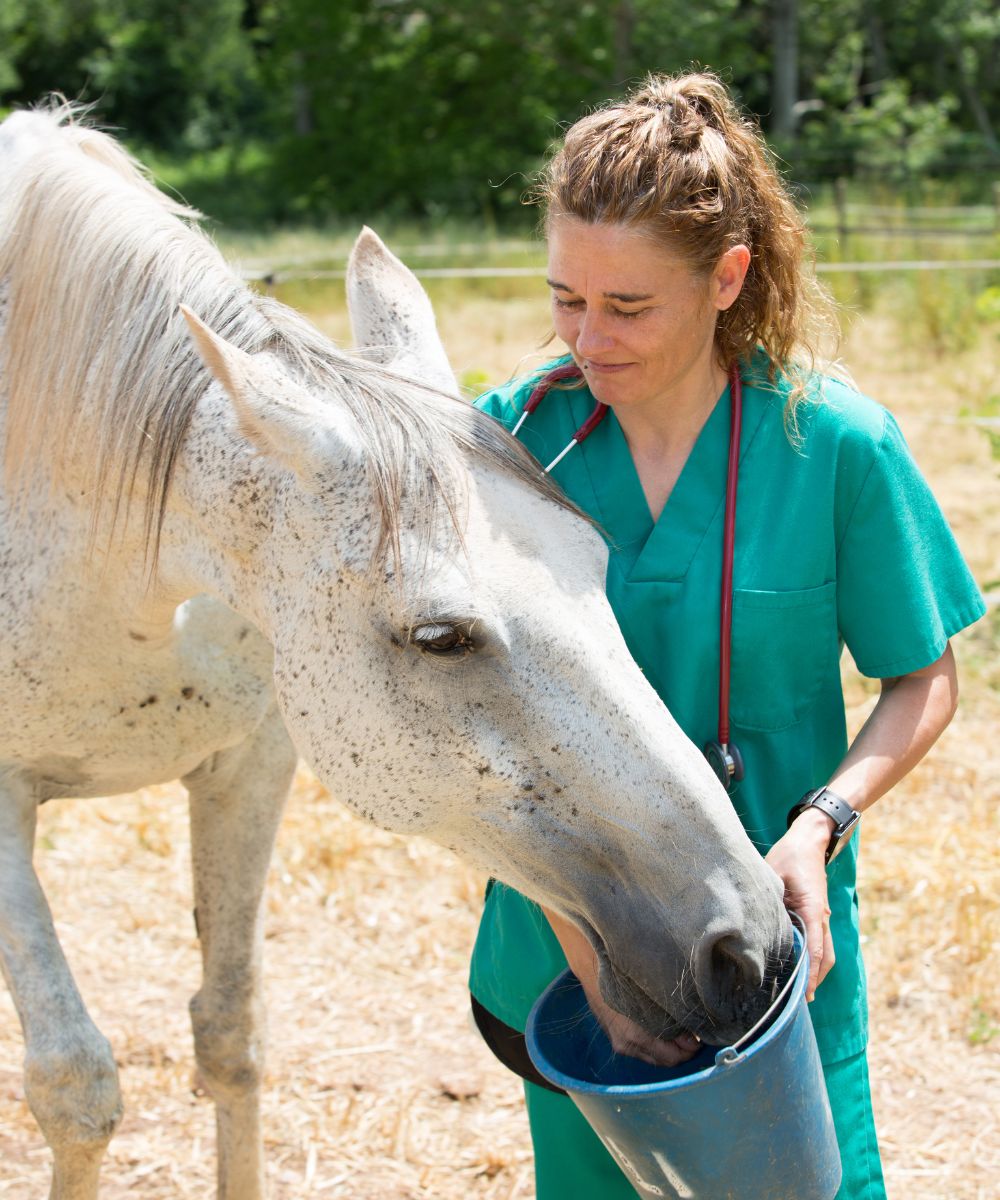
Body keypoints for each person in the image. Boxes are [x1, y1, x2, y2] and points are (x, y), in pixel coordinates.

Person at [467, 71, 985, 1199]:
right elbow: (469, 738)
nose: (586, 338)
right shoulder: (510, 443)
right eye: (565, 298)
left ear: (726, 278)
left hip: (776, 960)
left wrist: (818, 828)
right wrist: (593, 957)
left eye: (628, 307)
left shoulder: (838, 445)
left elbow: (921, 677)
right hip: (568, 967)